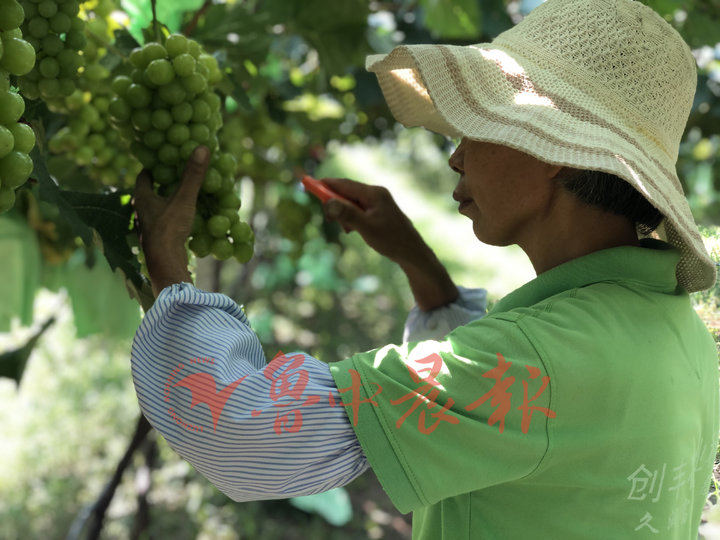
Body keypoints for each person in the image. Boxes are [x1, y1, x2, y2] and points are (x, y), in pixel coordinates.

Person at [130, 0, 720, 538]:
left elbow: (244, 436)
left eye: (482, 123)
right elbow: (512, 425)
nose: (456, 154)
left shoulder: (538, 361)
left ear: (552, 150)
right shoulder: (680, 335)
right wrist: (421, 267)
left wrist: (170, 277)